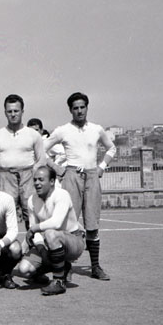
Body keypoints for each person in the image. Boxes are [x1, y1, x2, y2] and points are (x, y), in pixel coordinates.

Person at [44, 92, 116, 281]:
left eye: (82, 107)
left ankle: (95, 267)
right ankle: (66, 267)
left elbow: (112, 148)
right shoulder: (63, 130)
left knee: (92, 225)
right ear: (70, 110)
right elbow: (40, 149)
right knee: (69, 224)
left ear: (87, 107)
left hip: (92, 176)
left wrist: (101, 167)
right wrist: (56, 168)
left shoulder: (96, 129)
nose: (79, 111)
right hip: (71, 176)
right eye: (75, 108)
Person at [17, 166, 85, 295]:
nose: (37, 183)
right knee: (24, 269)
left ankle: (59, 282)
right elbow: (34, 232)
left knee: (50, 233)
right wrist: (41, 249)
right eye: (35, 180)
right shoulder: (32, 200)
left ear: (52, 181)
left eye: (41, 179)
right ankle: (62, 267)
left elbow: (56, 222)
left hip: (73, 241)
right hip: (48, 243)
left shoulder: (62, 195)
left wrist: (34, 229)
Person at [0, 95, 45, 230]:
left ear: (22, 111)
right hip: (6, 177)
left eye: (16, 111)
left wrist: (32, 174)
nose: (13, 114)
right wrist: (1, 176)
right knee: (5, 214)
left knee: (31, 213)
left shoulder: (33, 134)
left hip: (28, 177)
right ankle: (8, 243)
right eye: (10, 111)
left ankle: (33, 241)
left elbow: (41, 159)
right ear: (5, 113)